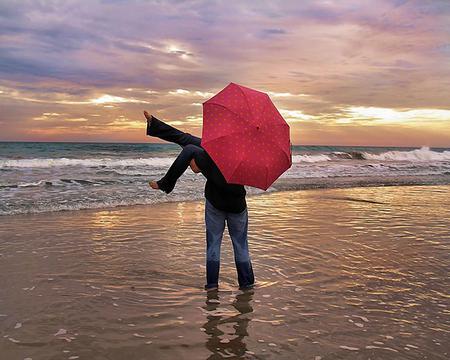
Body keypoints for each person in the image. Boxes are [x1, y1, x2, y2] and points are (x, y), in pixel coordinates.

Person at [144, 111, 254, 291]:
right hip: (237, 204)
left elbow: (194, 165)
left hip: (215, 203)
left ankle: (212, 286)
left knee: (214, 246)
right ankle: (247, 285)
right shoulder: (250, 154)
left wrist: (199, 165)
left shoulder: (219, 149)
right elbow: (184, 138)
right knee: (240, 246)